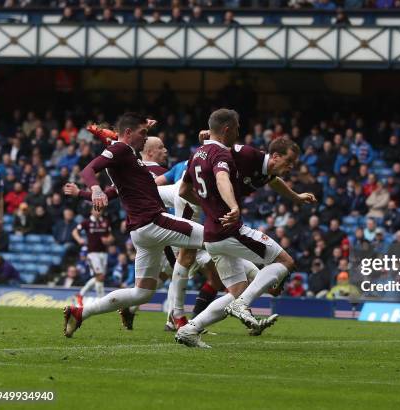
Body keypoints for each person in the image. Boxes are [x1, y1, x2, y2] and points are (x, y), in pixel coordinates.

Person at [62, 112, 204, 338]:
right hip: (154, 221)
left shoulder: (127, 155)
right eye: (143, 134)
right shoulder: (120, 150)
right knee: (212, 237)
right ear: (128, 133)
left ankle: (80, 312)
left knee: (142, 293)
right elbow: (88, 169)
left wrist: (142, 126)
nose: (146, 138)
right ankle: (182, 318)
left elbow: (118, 144)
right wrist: (95, 189)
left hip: (141, 231)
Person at [176, 109, 306, 348]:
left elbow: (184, 191)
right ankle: (242, 304)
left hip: (212, 233)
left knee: (236, 290)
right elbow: (222, 177)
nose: (239, 133)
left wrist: (295, 197)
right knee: (285, 262)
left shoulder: (199, 154)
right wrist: (231, 206)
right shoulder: (234, 153)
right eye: (236, 128)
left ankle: (190, 329)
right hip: (229, 229)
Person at [72, 208, 114, 305]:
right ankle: (102, 301)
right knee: (100, 275)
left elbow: (111, 236)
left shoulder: (105, 222)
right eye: (96, 210)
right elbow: (74, 231)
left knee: (100, 277)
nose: (98, 212)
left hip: (103, 253)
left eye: (100, 210)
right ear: (91, 211)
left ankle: (80, 294)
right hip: (92, 253)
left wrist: (108, 240)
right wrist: (79, 240)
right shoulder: (86, 222)